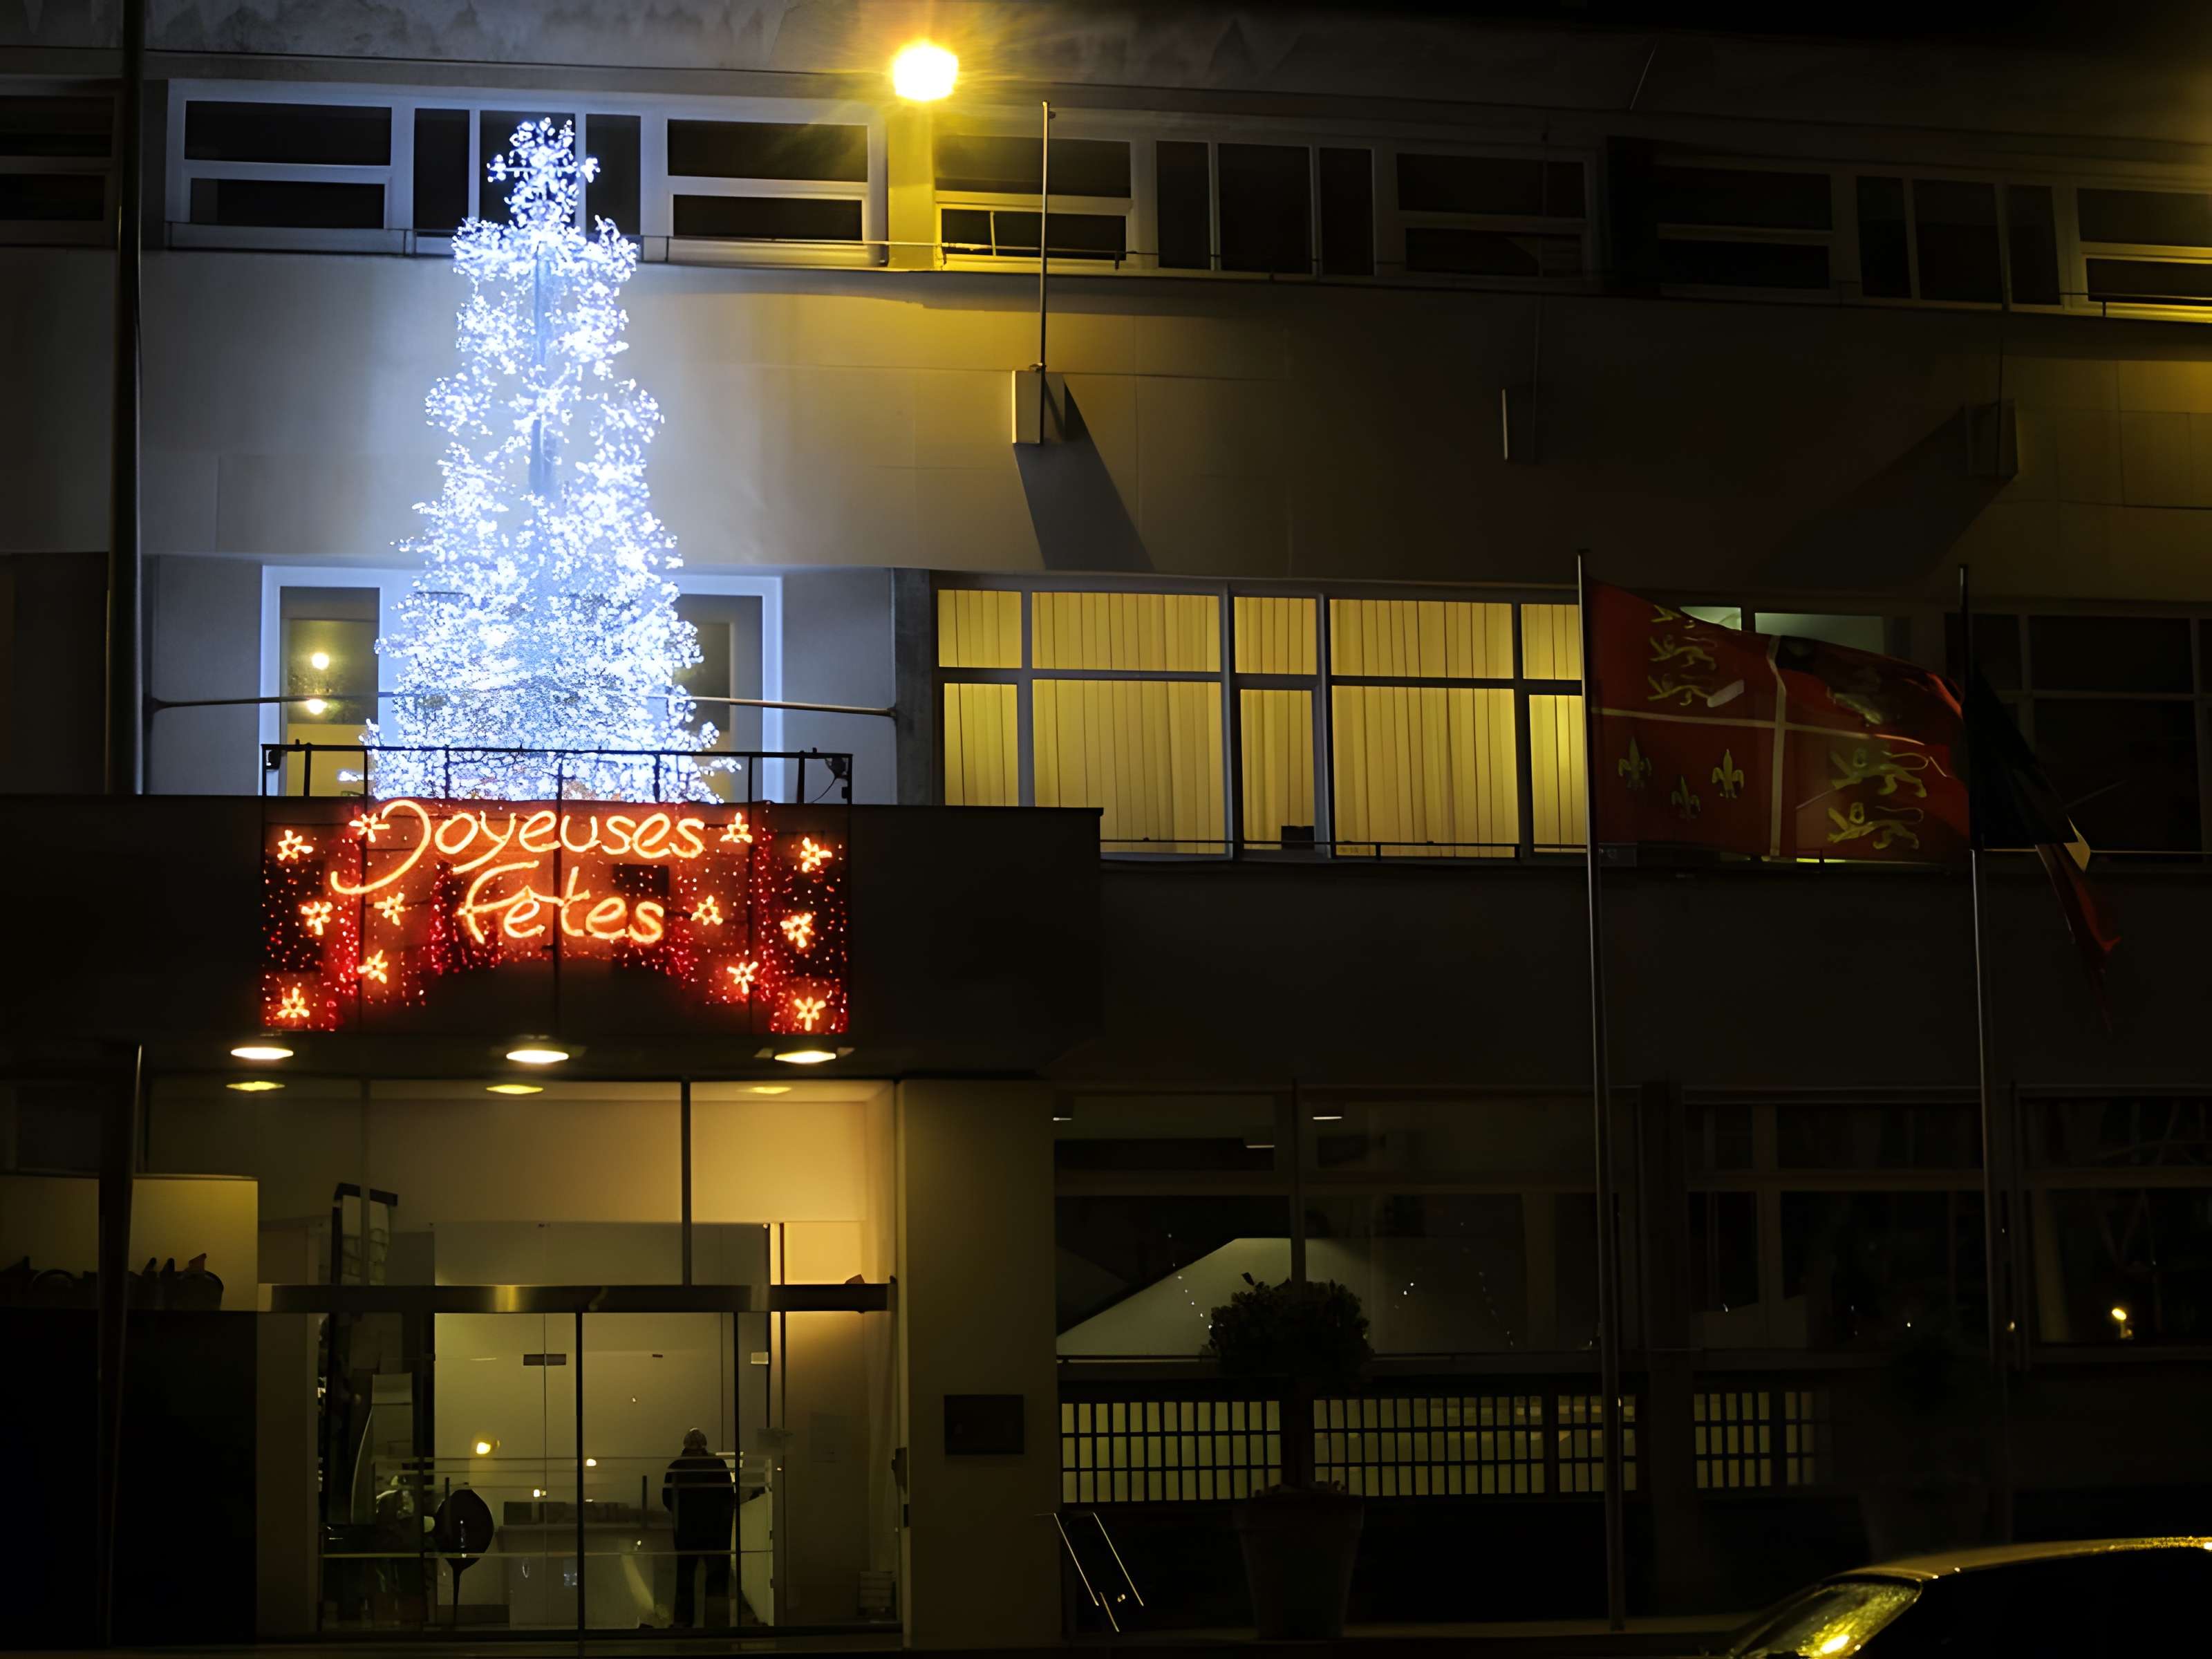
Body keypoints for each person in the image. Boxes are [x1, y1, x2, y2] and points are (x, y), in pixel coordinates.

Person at [661, 1428, 735, 1630]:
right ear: (704, 1445)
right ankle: (717, 1622)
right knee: (716, 1578)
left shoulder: (676, 1467)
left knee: (685, 1578)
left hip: (686, 1531)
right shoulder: (717, 1466)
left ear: (685, 1445)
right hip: (715, 1532)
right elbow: (729, 1497)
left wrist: (682, 1515)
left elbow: (667, 1500)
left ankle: (684, 1621)